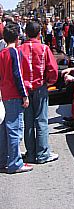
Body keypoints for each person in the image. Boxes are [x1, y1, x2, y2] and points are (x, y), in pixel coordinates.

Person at [18, 21, 59, 164]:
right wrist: (49, 82)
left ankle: (30, 153)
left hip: (24, 89)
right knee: (41, 120)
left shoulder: (19, 49)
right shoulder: (44, 48)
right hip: (40, 86)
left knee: (28, 122)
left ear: (25, 33)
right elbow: (53, 69)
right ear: (39, 33)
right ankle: (42, 154)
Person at [0, 22, 33, 174]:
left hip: (5, 93)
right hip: (14, 93)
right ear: (18, 37)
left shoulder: (1, 53)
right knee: (15, 129)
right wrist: (24, 95)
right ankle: (15, 163)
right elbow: (18, 75)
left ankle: (4, 159)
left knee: (5, 129)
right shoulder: (14, 52)